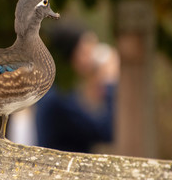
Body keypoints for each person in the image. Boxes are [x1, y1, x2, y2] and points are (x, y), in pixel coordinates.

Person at [35, 25, 119, 153]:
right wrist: (110, 82)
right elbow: (108, 131)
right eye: (86, 51)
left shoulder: (56, 92)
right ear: (71, 55)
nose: (93, 59)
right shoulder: (58, 99)